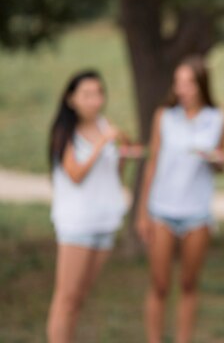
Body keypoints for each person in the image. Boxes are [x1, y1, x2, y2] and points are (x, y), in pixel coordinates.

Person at [135, 56, 224, 343]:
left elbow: (222, 164)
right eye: (178, 82)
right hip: (162, 210)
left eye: (188, 82)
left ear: (201, 85)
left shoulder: (217, 118)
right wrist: (141, 213)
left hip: (197, 213)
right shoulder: (164, 116)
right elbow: (151, 165)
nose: (181, 88)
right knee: (160, 284)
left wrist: (216, 159)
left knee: (189, 284)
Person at [47, 70, 137, 343]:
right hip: (77, 224)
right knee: (66, 298)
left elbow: (114, 174)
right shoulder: (64, 133)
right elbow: (75, 174)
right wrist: (102, 143)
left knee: (80, 299)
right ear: (71, 99)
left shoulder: (104, 125)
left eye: (99, 93)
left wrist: (124, 150)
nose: (95, 100)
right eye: (87, 94)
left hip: (105, 222)